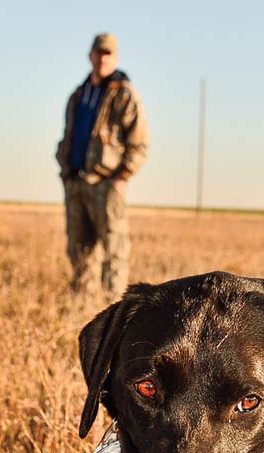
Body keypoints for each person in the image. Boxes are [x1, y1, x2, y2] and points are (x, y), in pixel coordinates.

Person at [56, 33, 148, 301]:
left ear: (115, 58)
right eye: (99, 53)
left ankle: (112, 308)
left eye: (108, 54)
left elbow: (139, 142)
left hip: (106, 184)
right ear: (91, 55)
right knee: (79, 250)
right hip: (76, 183)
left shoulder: (124, 94)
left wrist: (122, 177)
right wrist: (65, 171)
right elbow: (69, 135)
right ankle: (82, 306)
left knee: (114, 249)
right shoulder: (79, 95)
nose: (102, 58)